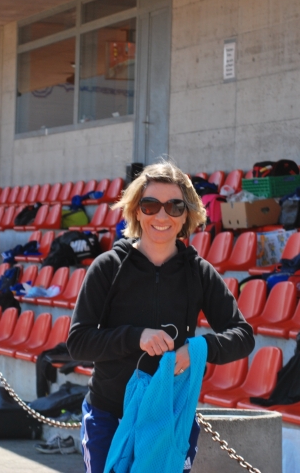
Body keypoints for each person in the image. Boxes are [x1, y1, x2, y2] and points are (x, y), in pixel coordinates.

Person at [67, 161, 255, 473]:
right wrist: (135, 337)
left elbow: (243, 336)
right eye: (151, 205)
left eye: (175, 206)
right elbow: (78, 342)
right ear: (137, 211)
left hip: (170, 416)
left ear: (187, 215)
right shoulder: (107, 267)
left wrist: (196, 350)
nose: (162, 216)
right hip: (108, 415)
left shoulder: (199, 272)